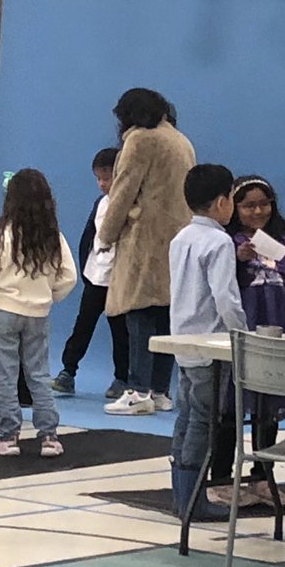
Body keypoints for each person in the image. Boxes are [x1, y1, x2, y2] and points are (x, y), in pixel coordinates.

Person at [210, 175, 285, 506]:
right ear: (234, 207)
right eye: (249, 205)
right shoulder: (226, 241)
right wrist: (236, 259)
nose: (258, 211)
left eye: (263, 204)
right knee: (231, 405)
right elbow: (218, 287)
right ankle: (222, 478)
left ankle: (262, 477)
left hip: (280, 324)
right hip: (244, 327)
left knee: (268, 407)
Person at [101, 88, 196, 416]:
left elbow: (123, 189)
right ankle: (159, 390)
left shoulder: (139, 140)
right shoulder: (182, 141)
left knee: (139, 315)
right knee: (166, 315)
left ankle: (137, 390)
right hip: (177, 240)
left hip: (143, 240)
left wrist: (106, 234)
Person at [0, 168, 76, 457]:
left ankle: (8, 437)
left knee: (4, 375)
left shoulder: (3, 236)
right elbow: (68, 276)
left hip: (4, 311)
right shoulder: (54, 237)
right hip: (38, 314)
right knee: (39, 374)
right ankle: (49, 437)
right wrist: (47, 296)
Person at [169, 164, 248, 519]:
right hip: (212, 346)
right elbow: (226, 298)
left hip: (182, 341)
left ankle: (181, 495)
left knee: (186, 416)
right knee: (202, 420)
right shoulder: (219, 241)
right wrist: (242, 335)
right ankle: (193, 501)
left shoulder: (181, 237)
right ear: (221, 202)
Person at [52, 147, 130, 399]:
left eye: (107, 177)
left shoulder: (131, 208)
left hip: (119, 282)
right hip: (96, 277)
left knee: (121, 333)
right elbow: (90, 237)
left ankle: (122, 377)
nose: (102, 184)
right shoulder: (100, 204)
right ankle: (68, 371)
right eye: (98, 178)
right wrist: (87, 268)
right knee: (82, 325)